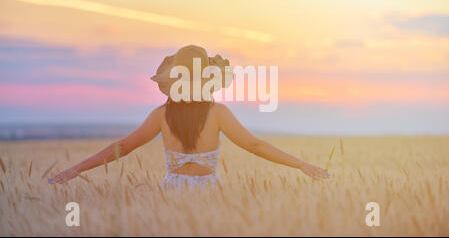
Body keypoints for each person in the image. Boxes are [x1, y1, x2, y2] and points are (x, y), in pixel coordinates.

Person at [48, 45, 329, 188]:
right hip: (210, 193)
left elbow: (123, 147)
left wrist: (76, 170)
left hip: (171, 192)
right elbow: (254, 145)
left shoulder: (161, 115)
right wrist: (300, 164)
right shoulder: (217, 113)